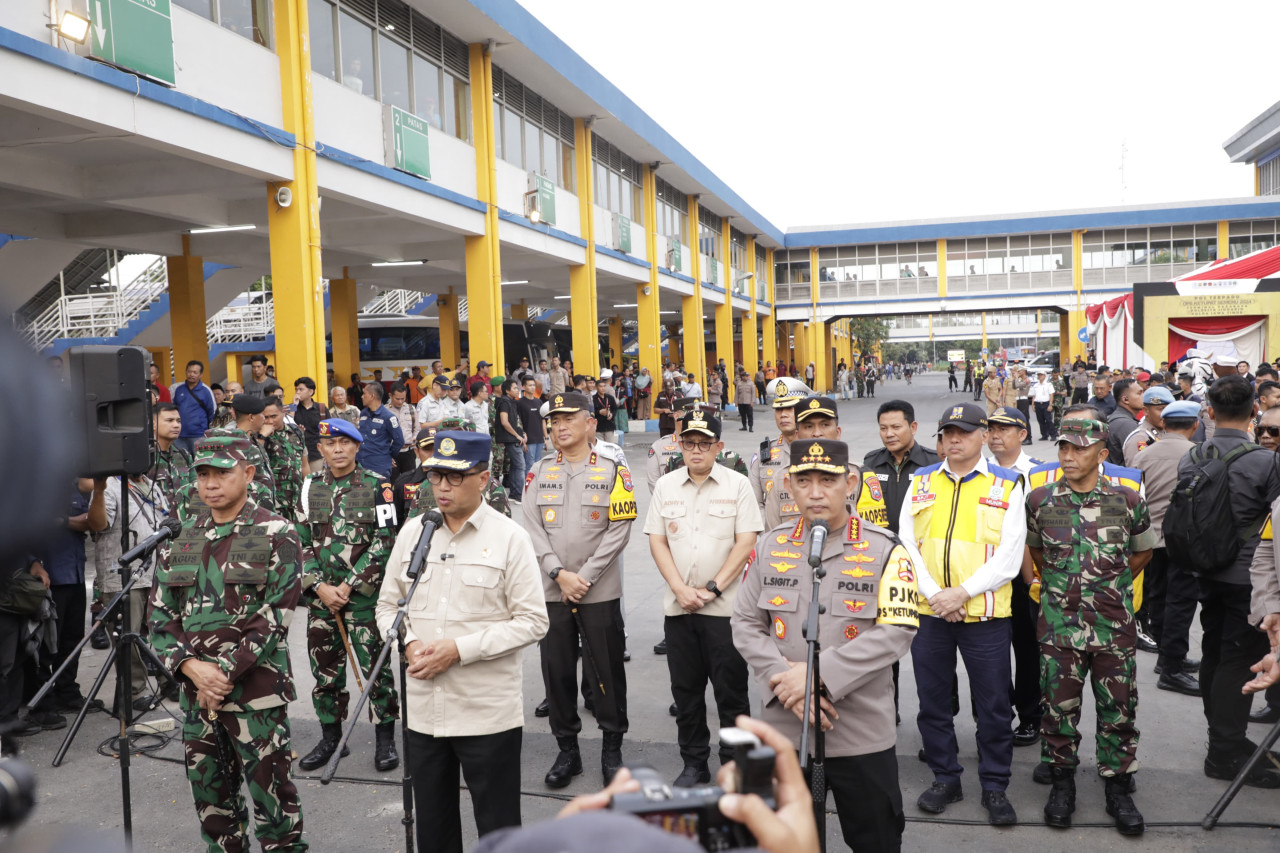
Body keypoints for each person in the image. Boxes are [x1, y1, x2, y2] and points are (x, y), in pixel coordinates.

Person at [733, 437, 921, 852]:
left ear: (850, 482)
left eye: (827, 480)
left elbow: (897, 630)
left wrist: (818, 678)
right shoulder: (769, 545)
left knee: (877, 841)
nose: (815, 492)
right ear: (789, 485)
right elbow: (746, 623)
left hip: (859, 732)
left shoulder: (886, 549)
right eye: (804, 481)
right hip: (784, 728)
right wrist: (788, 681)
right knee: (788, 843)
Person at [377, 430, 548, 853]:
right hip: (424, 712)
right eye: (436, 477)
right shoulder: (415, 532)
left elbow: (532, 621)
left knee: (499, 829)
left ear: (485, 478)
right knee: (433, 829)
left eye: (455, 478)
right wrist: (410, 643)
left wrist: (459, 650)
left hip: (485, 713)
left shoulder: (511, 537)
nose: (443, 488)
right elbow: (386, 607)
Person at [148, 434, 307, 852]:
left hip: (256, 696)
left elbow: (275, 616)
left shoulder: (277, 531)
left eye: (222, 472)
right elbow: (160, 619)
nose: (211, 483)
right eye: (203, 474)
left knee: (275, 811)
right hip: (197, 698)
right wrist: (191, 669)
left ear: (249, 473)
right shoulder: (182, 538)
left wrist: (220, 674)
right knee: (214, 811)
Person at [1025, 417, 1154, 835]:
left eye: (1079, 449)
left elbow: (1141, 554)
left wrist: (1105, 588)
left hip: (1113, 626)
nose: (1068, 455)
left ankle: (1117, 786)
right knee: (1057, 711)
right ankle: (1062, 784)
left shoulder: (1128, 501)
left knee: (1119, 710)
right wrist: (1065, 590)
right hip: (1060, 628)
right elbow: (1037, 553)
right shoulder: (1040, 500)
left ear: (1102, 455)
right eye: (1064, 447)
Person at [902, 402, 1024, 825]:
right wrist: (938, 595)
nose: (954, 439)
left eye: (964, 432)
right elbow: (907, 546)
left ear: (983, 434)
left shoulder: (1008, 484)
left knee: (992, 706)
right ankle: (945, 778)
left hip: (986, 616)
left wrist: (962, 594)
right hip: (931, 613)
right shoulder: (921, 481)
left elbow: (1009, 556)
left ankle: (995, 786)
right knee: (933, 703)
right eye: (947, 432)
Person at [522, 391, 636, 788]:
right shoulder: (538, 471)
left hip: (598, 589)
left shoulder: (612, 469)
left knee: (606, 671)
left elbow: (620, 527)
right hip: (553, 591)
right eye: (553, 420)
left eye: (568, 418)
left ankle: (612, 750)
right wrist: (558, 572)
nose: (558, 426)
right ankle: (567, 750)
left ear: (590, 422)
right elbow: (532, 527)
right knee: (556, 671)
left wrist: (583, 575)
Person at [646, 410, 762, 786]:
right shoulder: (666, 486)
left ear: (719, 447)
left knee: (732, 693)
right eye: (690, 443)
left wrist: (712, 588)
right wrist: (680, 589)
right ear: (680, 445)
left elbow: (746, 542)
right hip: (678, 609)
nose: (696, 450)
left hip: (725, 610)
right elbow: (657, 540)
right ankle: (694, 762)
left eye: (704, 443)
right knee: (686, 693)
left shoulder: (738, 484)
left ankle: (734, 763)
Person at [1181, 375, 1280, 787]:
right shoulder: (1266, 461)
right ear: (1254, 411)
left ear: (1209, 411)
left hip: (1206, 570)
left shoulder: (1194, 454)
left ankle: (1223, 736)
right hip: (1248, 578)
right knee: (1238, 661)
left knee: (1216, 655)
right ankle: (1224, 750)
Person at [296, 418, 401, 773]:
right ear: (321, 449)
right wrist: (320, 587)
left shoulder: (378, 486)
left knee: (377, 671)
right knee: (324, 673)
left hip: (364, 600)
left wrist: (350, 584)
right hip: (322, 601)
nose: (338, 449)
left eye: (344, 443)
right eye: (330, 444)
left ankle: (385, 739)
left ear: (357, 447)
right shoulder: (308, 487)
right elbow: (299, 541)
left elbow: (386, 541)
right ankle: (331, 739)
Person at [1132, 400, 1202, 697]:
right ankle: (1171, 662)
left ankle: (1166, 653)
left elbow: (1132, 495)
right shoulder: (1198, 455)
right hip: (1182, 538)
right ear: (1195, 425)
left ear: (1164, 424)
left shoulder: (1143, 455)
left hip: (1150, 538)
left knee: (1158, 594)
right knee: (1181, 600)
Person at [862, 401, 940, 538]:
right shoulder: (871, 463)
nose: (889, 434)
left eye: (896, 427)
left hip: (919, 548)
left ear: (913, 427)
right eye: (883, 428)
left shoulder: (933, 464)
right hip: (881, 547)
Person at [751, 386, 805, 531]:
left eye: (790, 408)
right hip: (774, 539)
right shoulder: (763, 453)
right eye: (779, 409)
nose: (783, 415)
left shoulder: (817, 449)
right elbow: (755, 503)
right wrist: (768, 533)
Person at [355, 381, 404, 480]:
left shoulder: (389, 417)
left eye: (364, 394)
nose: (362, 396)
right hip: (361, 464)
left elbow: (399, 441)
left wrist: (387, 455)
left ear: (372, 396)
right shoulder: (363, 414)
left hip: (379, 467)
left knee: (380, 494)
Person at [150, 402, 193, 511]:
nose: (176, 425)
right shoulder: (145, 457)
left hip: (184, 522)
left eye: (178, 421)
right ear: (153, 424)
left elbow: (196, 490)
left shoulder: (184, 455)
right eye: (170, 421)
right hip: (156, 522)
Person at [173, 360, 217, 456]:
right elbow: (174, 410)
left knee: (199, 462)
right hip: (180, 435)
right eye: (189, 371)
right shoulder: (179, 389)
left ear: (200, 375)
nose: (191, 374)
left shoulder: (205, 391)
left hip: (198, 434)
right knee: (181, 463)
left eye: (195, 372)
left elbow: (211, 413)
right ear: (186, 372)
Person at [494, 378, 527, 498]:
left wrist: (522, 433)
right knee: (520, 466)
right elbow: (504, 422)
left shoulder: (512, 402)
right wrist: (517, 435)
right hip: (510, 438)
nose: (517, 390)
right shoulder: (504, 402)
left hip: (513, 437)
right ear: (507, 391)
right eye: (515, 388)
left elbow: (515, 421)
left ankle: (514, 493)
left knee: (515, 466)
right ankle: (519, 494)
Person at [1122, 385, 1171, 465]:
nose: (1165, 413)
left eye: (1168, 409)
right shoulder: (1140, 438)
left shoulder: (1166, 431)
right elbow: (1136, 473)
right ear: (1146, 411)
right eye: (1161, 409)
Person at [292, 377, 328, 474]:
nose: (298, 392)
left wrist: (326, 454)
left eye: (301, 389)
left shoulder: (321, 408)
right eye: (296, 389)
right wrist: (294, 405)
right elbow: (288, 424)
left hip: (316, 454)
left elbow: (326, 434)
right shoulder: (292, 407)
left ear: (310, 391)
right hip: (297, 454)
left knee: (316, 483)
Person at [1105, 379, 1143, 463]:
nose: (1143, 396)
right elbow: (1138, 461)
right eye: (1139, 393)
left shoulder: (1117, 418)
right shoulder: (1126, 425)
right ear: (1125, 399)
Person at [387, 382, 418, 477]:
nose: (400, 401)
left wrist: (414, 438)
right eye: (397, 399)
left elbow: (417, 428)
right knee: (393, 483)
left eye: (403, 398)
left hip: (409, 452)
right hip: (392, 453)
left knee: (410, 483)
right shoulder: (384, 411)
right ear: (390, 395)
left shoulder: (411, 409)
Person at [519, 377, 547, 472]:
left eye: (533, 385)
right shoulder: (520, 403)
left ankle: (536, 486)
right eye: (530, 385)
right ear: (523, 387)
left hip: (539, 438)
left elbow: (543, 420)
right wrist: (523, 438)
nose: (532, 387)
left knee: (538, 464)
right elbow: (519, 422)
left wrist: (546, 438)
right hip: (528, 439)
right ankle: (528, 486)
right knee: (529, 465)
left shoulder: (538, 401)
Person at [1030, 371, 1056, 441]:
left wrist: (1050, 405)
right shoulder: (1036, 385)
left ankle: (1053, 434)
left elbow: (1051, 395)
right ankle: (1044, 435)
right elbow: (1034, 396)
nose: (1040, 376)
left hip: (1046, 403)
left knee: (1048, 420)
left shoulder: (1048, 384)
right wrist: (1033, 404)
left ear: (1044, 376)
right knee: (1040, 420)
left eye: (1041, 375)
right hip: (1038, 403)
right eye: (1039, 375)